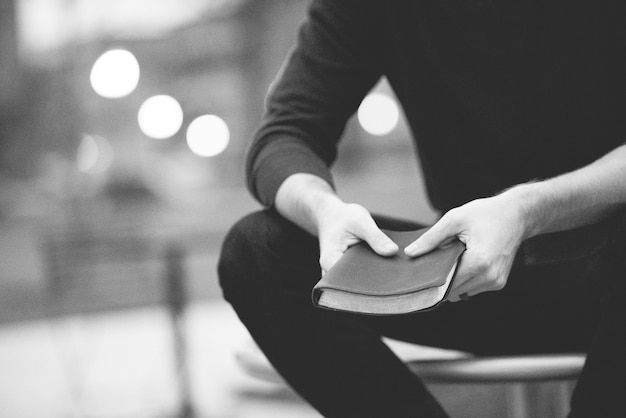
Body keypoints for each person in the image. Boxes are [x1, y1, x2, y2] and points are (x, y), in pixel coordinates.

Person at [218, 1, 626, 416]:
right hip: (466, 281)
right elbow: (284, 134)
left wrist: (526, 210)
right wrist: (323, 210)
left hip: (611, 275)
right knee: (257, 250)